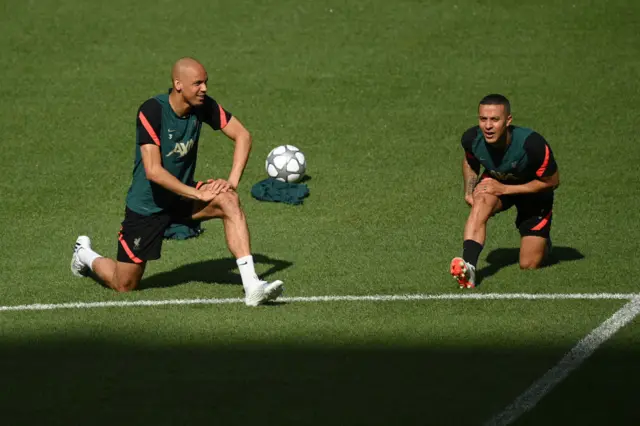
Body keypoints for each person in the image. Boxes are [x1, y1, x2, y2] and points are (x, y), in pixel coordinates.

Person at [71, 57, 283, 306]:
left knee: (229, 200)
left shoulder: (202, 106)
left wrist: (231, 182)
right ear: (178, 84)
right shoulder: (152, 111)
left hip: (182, 198)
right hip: (148, 206)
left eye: (205, 82)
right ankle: (84, 254)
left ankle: (252, 286)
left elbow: (243, 136)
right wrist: (198, 194)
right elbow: (153, 171)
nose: (204, 89)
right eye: (198, 83)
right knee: (124, 284)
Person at [450, 94, 560, 288]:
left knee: (528, 264)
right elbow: (470, 161)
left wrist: (505, 188)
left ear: (508, 120)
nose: (488, 126)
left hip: (534, 194)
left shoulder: (532, 145)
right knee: (481, 201)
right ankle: (469, 267)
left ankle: (543, 244)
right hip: (497, 183)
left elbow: (552, 181)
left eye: (495, 119)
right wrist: (469, 190)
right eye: (483, 119)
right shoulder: (472, 139)